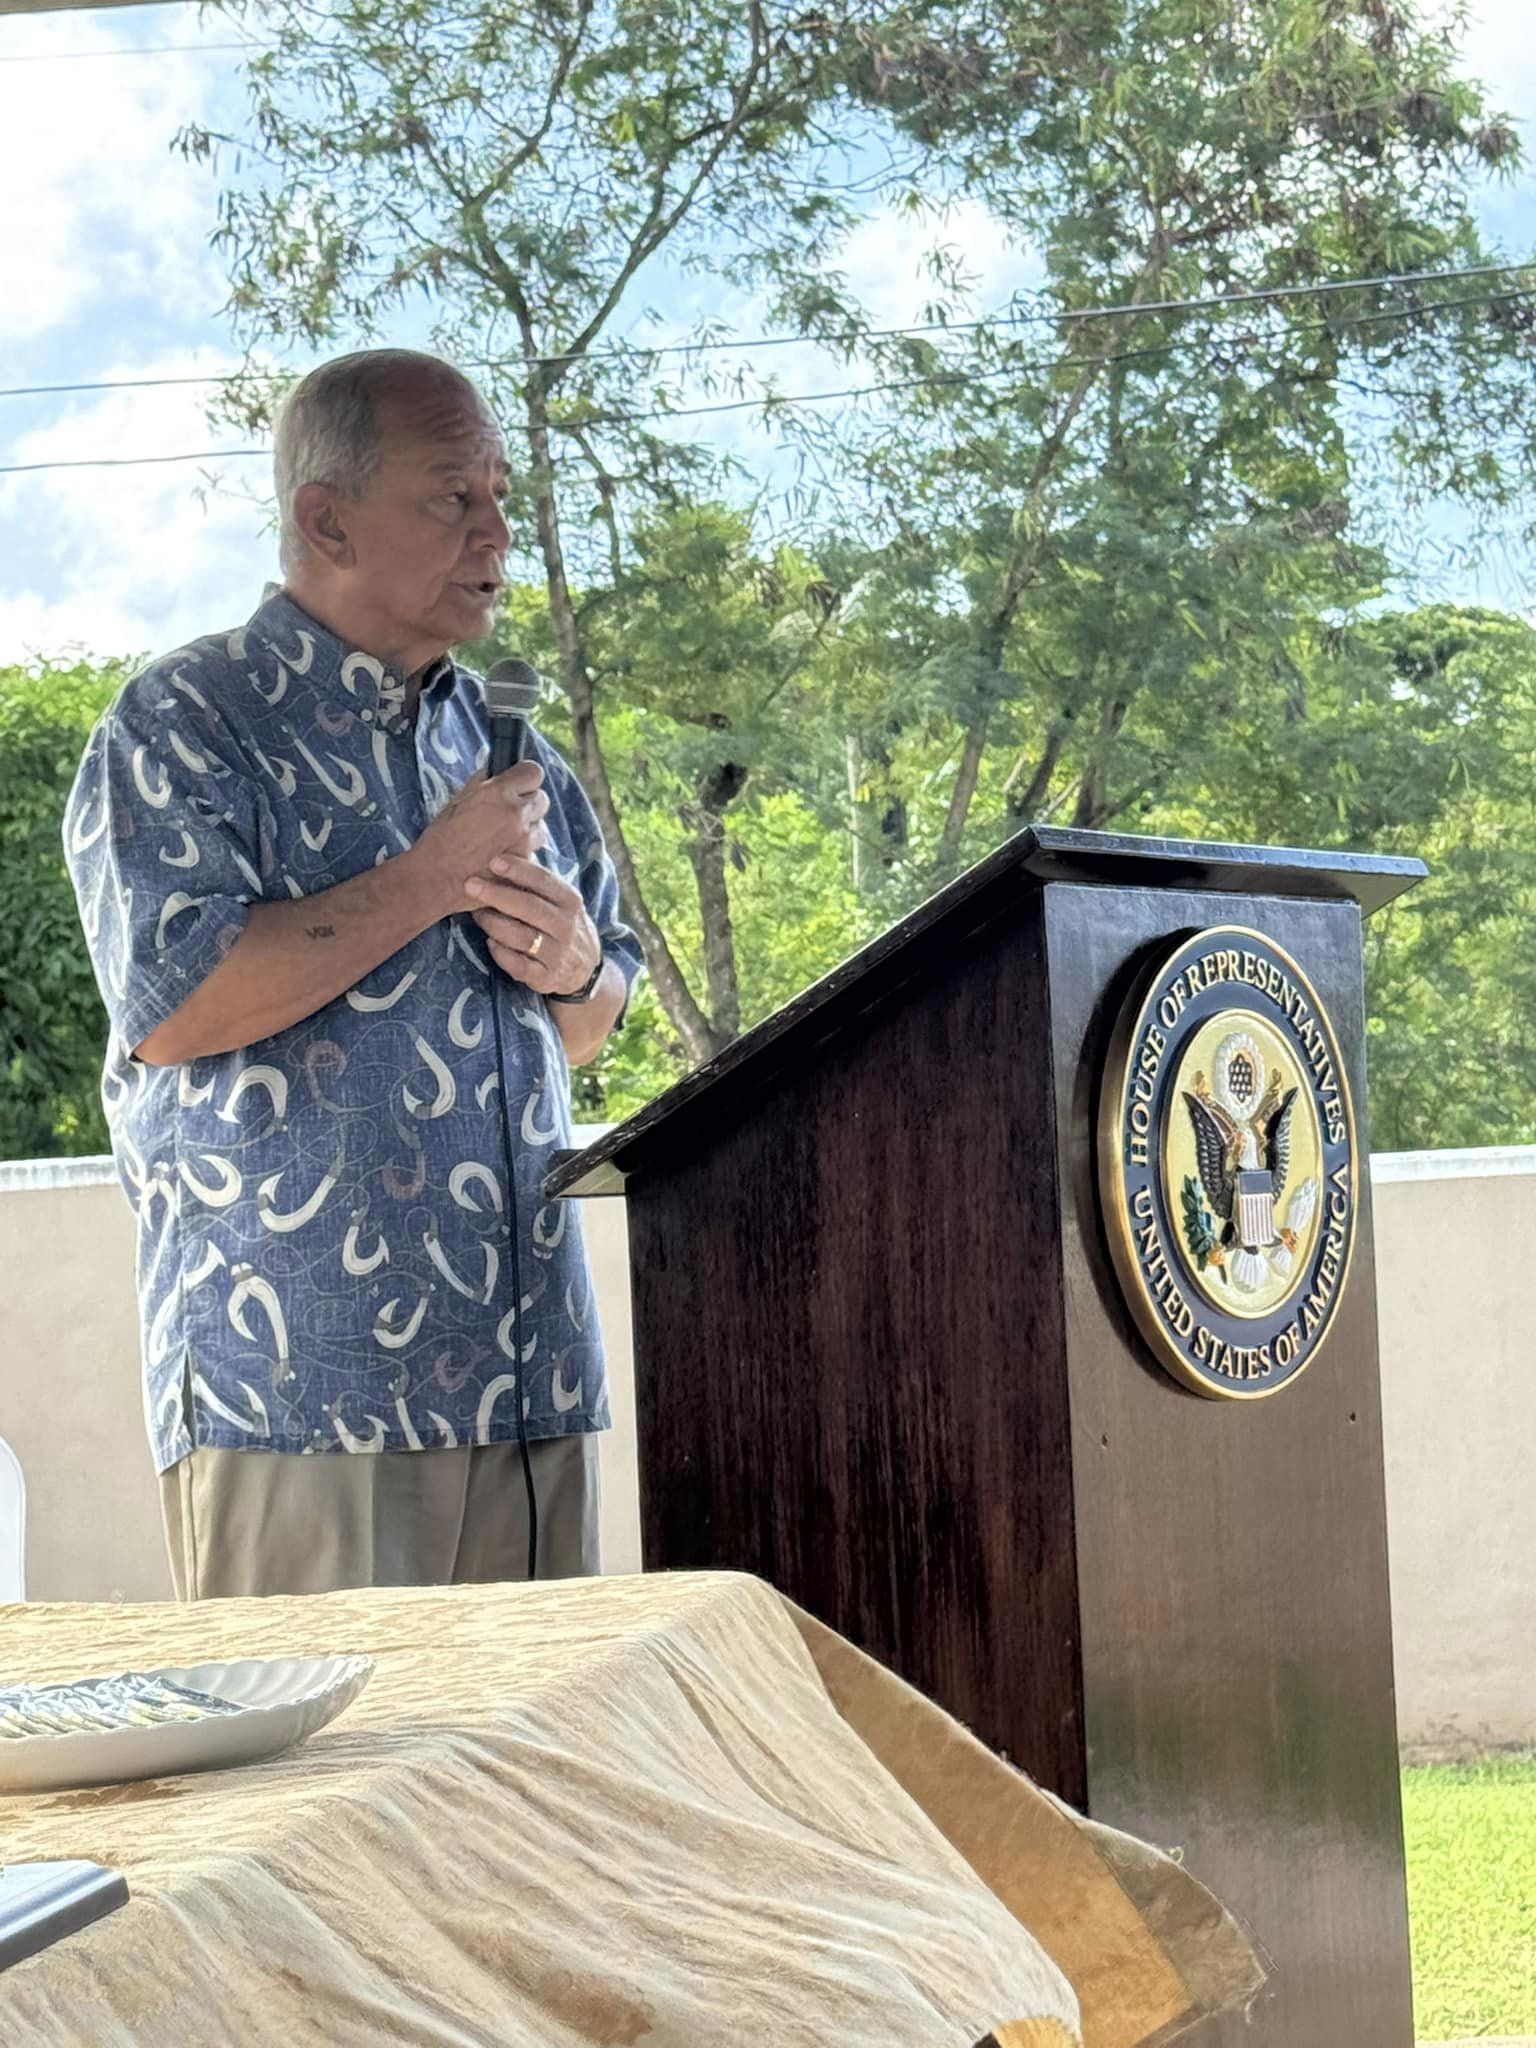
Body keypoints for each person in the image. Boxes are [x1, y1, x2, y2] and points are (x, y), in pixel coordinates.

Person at [63, 348, 643, 1599]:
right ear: (327, 519)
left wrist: (575, 965)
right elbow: (177, 1002)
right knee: (319, 1733)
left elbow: (590, 1023)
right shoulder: (186, 720)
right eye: (454, 495)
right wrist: (431, 875)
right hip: (299, 1392)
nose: (498, 531)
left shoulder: (513, 751)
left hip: (530, 1376)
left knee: (536, 1735)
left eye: (500, 495)